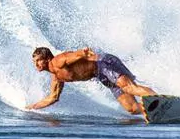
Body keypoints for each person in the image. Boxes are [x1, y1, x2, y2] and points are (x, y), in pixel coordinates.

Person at [27, 46, 157, 115]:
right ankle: (153, 110)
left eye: (38, 60)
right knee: (132, 109)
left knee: (129, 87)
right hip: (100, 74)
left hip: (103, 63)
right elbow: (52, 98)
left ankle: (158, 99)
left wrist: (83, 53)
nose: (36, 64)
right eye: (34, 61)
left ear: (47, 58)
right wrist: (31, 107)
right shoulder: (56, 77)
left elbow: (73, 55)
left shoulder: (58, 61)